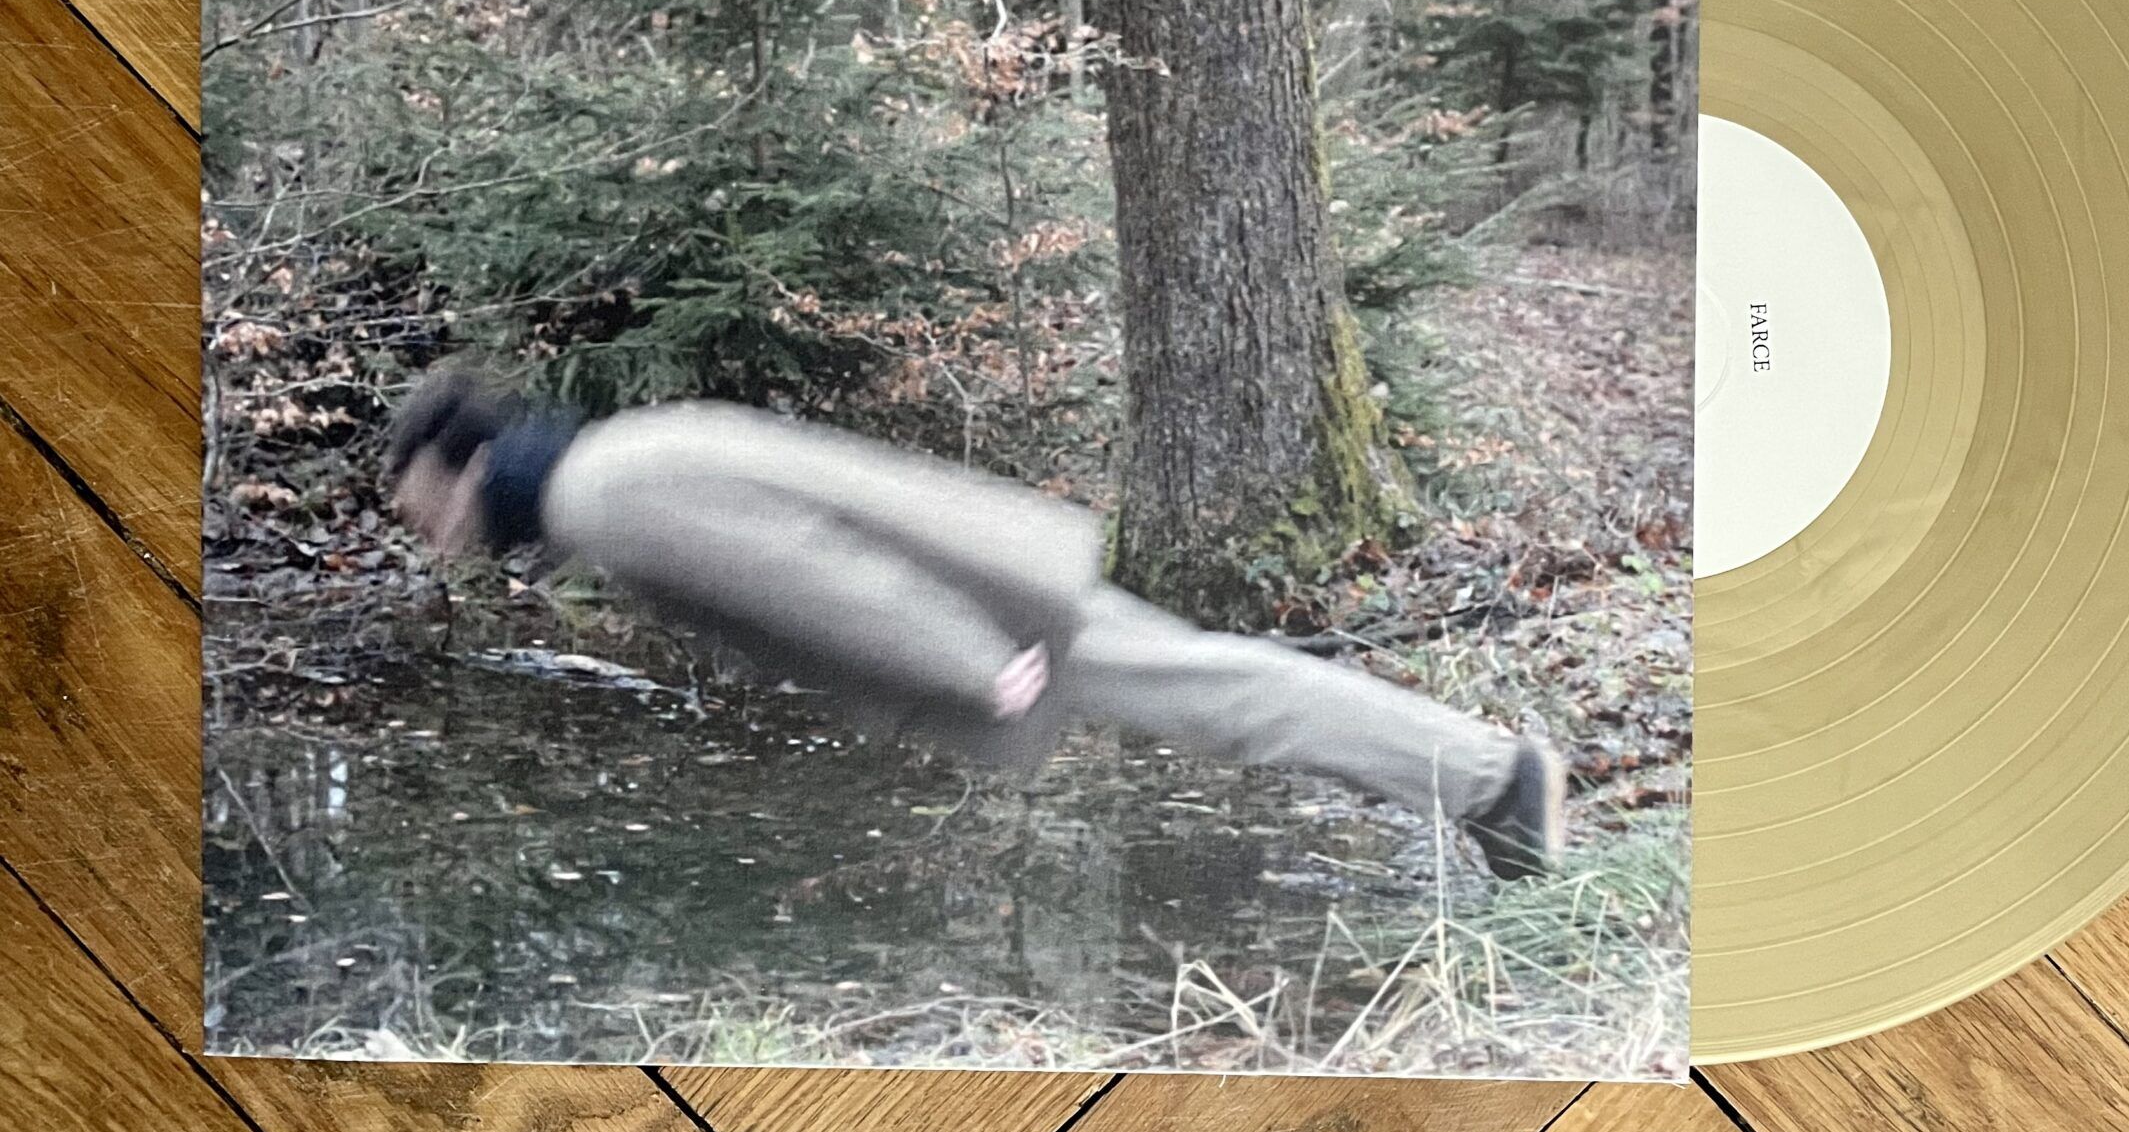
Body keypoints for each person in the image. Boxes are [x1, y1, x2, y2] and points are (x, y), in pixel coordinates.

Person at [384, 367, 1566, 878]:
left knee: (1223, 695)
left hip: (979, 604)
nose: (431, 537)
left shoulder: (601, 496)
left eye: (422, 510)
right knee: (1216, 688)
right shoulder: (607, 462)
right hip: (974, 574)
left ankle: (1494, 780)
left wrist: (966, 656)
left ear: (465, 467)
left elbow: (807, 570)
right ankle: (1483, 783)